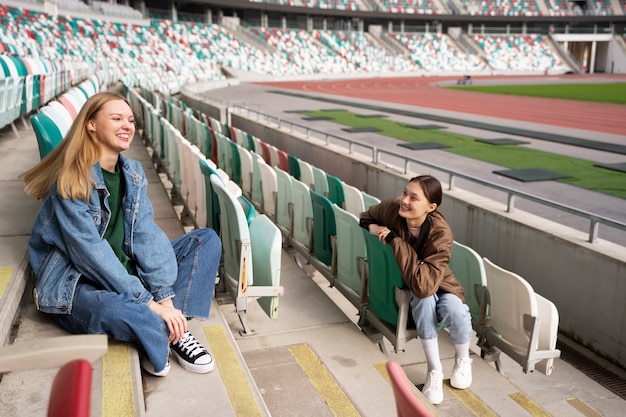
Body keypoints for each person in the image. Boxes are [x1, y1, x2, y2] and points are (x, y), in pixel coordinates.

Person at [21, 92, 222, 377]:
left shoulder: (133, 172)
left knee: (205, 240)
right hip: (78, 282)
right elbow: (91, 255)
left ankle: (168, 326)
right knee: (123, 310)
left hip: (127, 271)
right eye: (116, 118)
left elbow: (146, 235)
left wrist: (164, 300)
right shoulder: (71, 179)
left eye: (129, 119)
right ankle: (165, 327)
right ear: (91, 124)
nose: (127, 125)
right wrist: (147, 302)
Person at [359, 175, 472, 404]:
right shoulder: (393, 209)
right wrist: (375, 227)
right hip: (418, 286)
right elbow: (365, 216)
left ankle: (462, 360)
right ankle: (434, 370)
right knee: (423, 301)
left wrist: (395, 240)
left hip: (438, 282)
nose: (405, 200)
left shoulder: (441, 233)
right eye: (404, 193)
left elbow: (424, 284)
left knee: (454, 308)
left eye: (413, 197)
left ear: (431, 207)